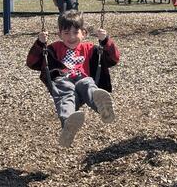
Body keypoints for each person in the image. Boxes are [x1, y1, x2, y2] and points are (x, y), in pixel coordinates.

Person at [26, 10, 120, 147]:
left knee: (88, 84)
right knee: (65, 96)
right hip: (63, 81)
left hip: (83, 79)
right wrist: (40, 44)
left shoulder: (89, 48)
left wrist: (105, 41)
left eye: (75, 32)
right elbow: (32, 62)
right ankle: (68, 124)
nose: (71, 37)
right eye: (66, 33)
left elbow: (114, 58)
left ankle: (103, 107)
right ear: (59, 35)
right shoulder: (54, 48)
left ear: (84, 33)